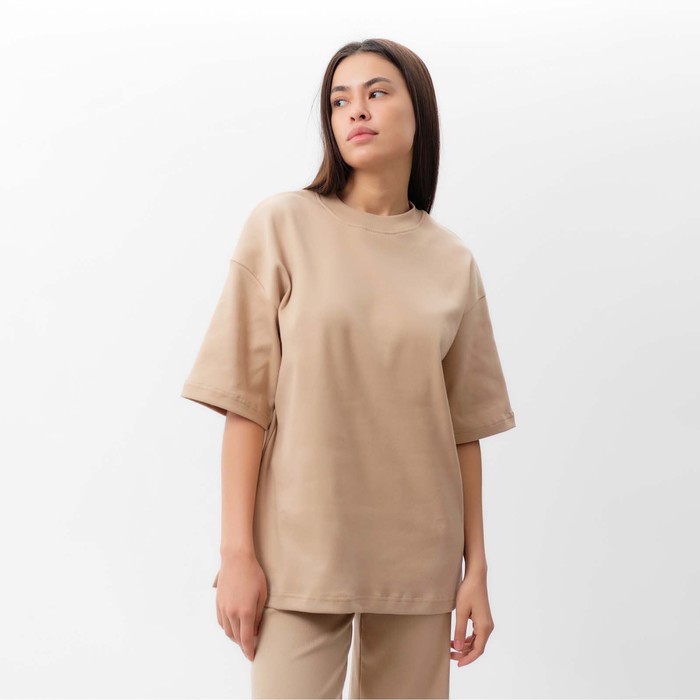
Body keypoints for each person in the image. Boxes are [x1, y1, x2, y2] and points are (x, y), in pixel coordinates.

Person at [181, 37, 516, 699]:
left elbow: (464, 431)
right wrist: (236, 554)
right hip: (299, 552)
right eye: (339, 101)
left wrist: (475, 570)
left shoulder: (452, 262)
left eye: (376, 93)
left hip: (419, 559)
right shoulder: (282, 226)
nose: (355, 111)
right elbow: (246, 405)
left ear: (419, 111)